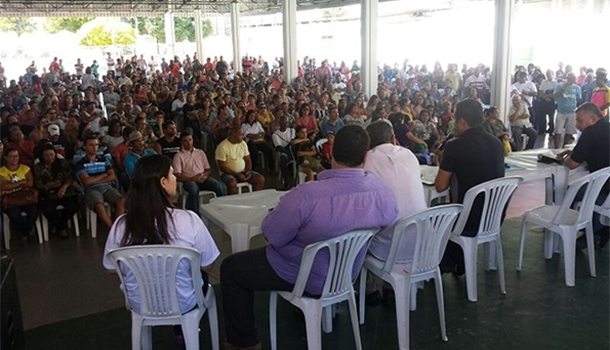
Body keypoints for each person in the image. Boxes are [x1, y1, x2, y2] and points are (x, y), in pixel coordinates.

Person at [220, 125, 398, 350]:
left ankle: (243, 343)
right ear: (365, 156)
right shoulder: (381, 192)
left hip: (302, 274)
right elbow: (387, 221)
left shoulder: (306, 195)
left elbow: (273, 235)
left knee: (232, 269)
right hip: (345, 275)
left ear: (331, 152)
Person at [102, 154, 219, 341]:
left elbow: (110, 268)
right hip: (183, 302)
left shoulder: (121, 225)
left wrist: (145, 268)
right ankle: (183, 331)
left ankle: (178, 331)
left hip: (141, 302)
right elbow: (208, 265)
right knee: (196, 276)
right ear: (163, 182)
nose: (175, 178)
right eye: (172, 174)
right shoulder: (188, 220)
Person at [435, 99, 505, 275]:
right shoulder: (496, 143)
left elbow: (440, 185)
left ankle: (444, 261)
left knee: (432, 214)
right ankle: (456, 259)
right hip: (494, 216)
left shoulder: (455, 146)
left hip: (468, 220)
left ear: (461, 121)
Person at [364, 121, 427, 264]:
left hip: (387, 248)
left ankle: (368, 281)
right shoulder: (409, 155)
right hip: (422, 241)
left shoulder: (367, 160)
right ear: (393, 138)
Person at [557, 103, 610, 248]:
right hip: (607, 189)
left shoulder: (590, 132)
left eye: (580, 121)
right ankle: (597, 228)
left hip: (602, 191)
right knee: (590, 188)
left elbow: (573, 164)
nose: (577, 125)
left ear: (592, 118)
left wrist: (566, 159)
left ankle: (585, 229)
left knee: (570, 191)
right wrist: (574, 152)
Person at [75, 134, 125, 229]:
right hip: (91, 190)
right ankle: (112, 229)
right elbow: (86, 181)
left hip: (107, 187)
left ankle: (118, 227)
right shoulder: (80, 163)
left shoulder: (104, 160)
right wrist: (103, 175)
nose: (94, 147)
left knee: (121, 200)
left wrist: (95, 179)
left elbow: (112, 176)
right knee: (99, 205)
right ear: (85, 147)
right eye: (91, 145)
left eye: (96, 145)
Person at [173, 131, 227, 212]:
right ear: (181, 142)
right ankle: (194, 214)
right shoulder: (178, 156)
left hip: (202, 178)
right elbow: (177, 176)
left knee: (219, 186)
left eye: (190, 140)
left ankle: (222, 209)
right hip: (188, 180)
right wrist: (192, 178)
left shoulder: (200, 152)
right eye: (185, 141)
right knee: (193, 189)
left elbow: (208, 169)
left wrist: (202, 175)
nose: (189, 143)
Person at [32, 145, 79, 239]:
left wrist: (64, 187)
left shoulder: (62, 163)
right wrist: (49, 185)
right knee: (48, 209)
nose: (50, 157)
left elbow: (70, 178)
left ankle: (57, 225)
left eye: (52, 154)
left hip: (63, 190)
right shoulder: (38, 167)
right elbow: (37, 184)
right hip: (47, 192)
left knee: (73, 206)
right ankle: (61, 228)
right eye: (46, 155)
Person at [0, 148, 39, 243]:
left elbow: (30, 184)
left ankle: (24, 233)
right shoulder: (1, 171)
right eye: (11, 156)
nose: (14, 158)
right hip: (10, 199)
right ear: (5, 158)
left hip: (25, 197)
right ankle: (26, 233)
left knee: (33, 211)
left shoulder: (25, 168)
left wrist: (10, 184)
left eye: (16, 156)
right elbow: (2, 187)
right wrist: (20, 183)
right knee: (14, 215)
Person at [215, 127, 265, 195]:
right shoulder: (222, 147)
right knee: (232, 183)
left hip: (243, 172)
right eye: (241, 134)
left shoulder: (243, 143)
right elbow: (222, 167)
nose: (243, 136)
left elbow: (247, 159)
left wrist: (248, 170)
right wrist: (236, 174)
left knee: (260, 179)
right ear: (233, 135)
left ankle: (255, 200)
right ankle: (234, 202)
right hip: (228, 173)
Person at [553, 72, 581, 148]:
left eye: (572, 78)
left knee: (569, 131)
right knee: (558, 130)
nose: (570, 79)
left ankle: (564, 146)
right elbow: (555, 96)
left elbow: (578, 98)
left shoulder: (577, 88)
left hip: (572, 111)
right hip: (561, 111)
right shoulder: (559, 86)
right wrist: (564, 88)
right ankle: (556, 148)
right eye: (569, 78)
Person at [272, 116, 296, 187]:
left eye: (286, 122)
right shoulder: (275, 134)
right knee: (283, 159)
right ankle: (286, 181)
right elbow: (278, 147)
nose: (285, 124)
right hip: (284, 151)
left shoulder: (292, 131)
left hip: (293, 150)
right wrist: (287, 152)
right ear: (279, 123)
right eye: (283, 123)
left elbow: (294, 142)